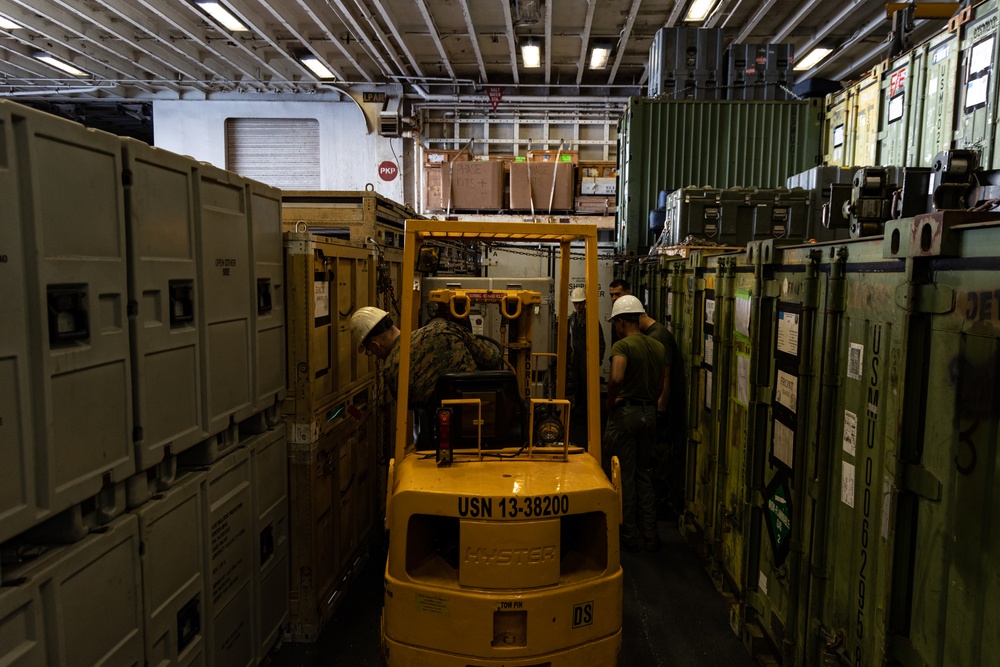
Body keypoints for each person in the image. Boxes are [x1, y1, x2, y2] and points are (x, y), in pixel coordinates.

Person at [603, 295, 666, 553]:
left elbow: (616, 376)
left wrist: (611, 400)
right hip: (649, 414)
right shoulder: (657, 347)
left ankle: (629, 535)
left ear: (620, 321)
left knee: (624, 476)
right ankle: (650, 533)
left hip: (626, 414)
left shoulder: (623, 346)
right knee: (643, 474)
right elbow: (660, 387)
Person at [349, 306, 503, 408]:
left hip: (439, 437)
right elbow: (493, 360)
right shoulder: (443, 329)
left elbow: (412, 409)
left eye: (370, 350)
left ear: (376, 345)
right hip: (487, 417)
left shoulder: (391, 370)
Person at [639, 308, 687, 516]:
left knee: (661, 455)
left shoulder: (659, 336)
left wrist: (660, 408)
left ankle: (665, 503)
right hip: (656, 405)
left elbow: (665, 376)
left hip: (663, 407)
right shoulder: (652, 334)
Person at [566, 286, 605, 445]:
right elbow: (569, 339)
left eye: (580, 303)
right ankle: (580, 413)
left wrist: (598, 359)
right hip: (577, 358)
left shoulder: (591, 319)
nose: (578, 306)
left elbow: (600, 341)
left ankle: (589, 415)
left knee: (588, 385)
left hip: (588, 358)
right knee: (577, 384)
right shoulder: (572, 318)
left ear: (585, 303)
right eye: (576, 304)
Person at [608, 279, 631, 345]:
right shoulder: (616, 316)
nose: (614, 298)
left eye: (617, 294)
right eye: (611, 295)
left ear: (627, 293)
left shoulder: (637, 313)